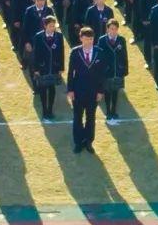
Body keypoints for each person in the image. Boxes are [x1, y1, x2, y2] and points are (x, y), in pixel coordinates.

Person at [67, 25, 103, 153]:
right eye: (86, 39)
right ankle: (78, 142)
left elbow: (101, 74)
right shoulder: (75, 52)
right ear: (81, 38)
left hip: (93, 92)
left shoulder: (99, 51)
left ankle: (88, 142)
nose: (89, 41)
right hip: (78, 91)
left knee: (91, 117)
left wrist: (100, 91)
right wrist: (70, 90)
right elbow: (71, 72)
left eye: (91, 39)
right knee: (77, 117)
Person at [33, 15, 65, 121]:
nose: (52, 28)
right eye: (50, 26)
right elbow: (35, 54)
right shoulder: (38, 36)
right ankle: (44, 110)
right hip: (42, 67)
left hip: (54, 67)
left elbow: (61, 52)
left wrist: (61, 67)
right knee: (42, 89)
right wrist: (36, 69)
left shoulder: (59, 36)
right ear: (45, 26)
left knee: (52, 89)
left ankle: (50, 110)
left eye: (53, 26)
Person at [97, 16, 128, 122]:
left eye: (115, 29)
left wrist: (125, 69)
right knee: (107, 92)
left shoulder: (121, 40)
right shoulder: (102, 40)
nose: (113, 31)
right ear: (107, 29)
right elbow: (99, 56)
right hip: (106, 71)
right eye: (111, 29)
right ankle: (108, 112)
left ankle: (114, 110)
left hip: (118, 70)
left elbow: (125, 55)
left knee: (115, 92)